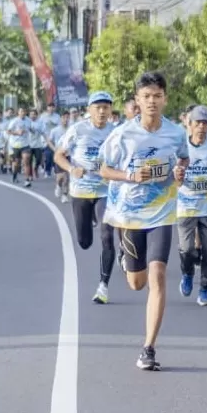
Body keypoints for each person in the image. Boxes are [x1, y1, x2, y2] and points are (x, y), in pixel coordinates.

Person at [98, 72, 188, 371]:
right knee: (136, 284)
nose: (152, 101)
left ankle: (148, 347)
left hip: (162, 212)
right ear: (137, 100)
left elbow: (183, 159)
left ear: (165, 98)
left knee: (158, 275)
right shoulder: (122, 135)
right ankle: (126, 257)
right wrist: (130, 176)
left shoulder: (175, 133)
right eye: (146, 96)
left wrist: (179, 172)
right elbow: (104, 170)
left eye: (157, 96)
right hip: (129, 214)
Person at [56, 93, 117, 304]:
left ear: (110, 111)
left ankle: (103, 286)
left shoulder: (115, 132)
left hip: (105, 191)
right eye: (98, 107)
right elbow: (59, 155)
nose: (102, 111)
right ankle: (89, 219)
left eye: (106, 107)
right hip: (81, 191)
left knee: (107, 234)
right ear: (90, 110)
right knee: (84, 242)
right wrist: (72, 169)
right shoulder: (77, 130)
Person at [176, 105, 207, 307]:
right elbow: (170, 173)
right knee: (187, 249)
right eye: (197, 123)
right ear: (189, 123)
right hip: (185, 204)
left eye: (205, 123)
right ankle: (187, 273)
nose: (201, 128)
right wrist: (176, 174)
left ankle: (205, 288)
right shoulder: (180, 147)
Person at [48, 112, 72, 204]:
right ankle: (58, 185)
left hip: (69, 155)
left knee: (67, 176)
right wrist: (54, 149)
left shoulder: (72, 129)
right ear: (61, 119)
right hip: (59, 155)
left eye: (67, 118)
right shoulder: (55, 130)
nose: (66, 120)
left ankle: (65, 195)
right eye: (64, 118)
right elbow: (49, 141)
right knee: (60, 177)